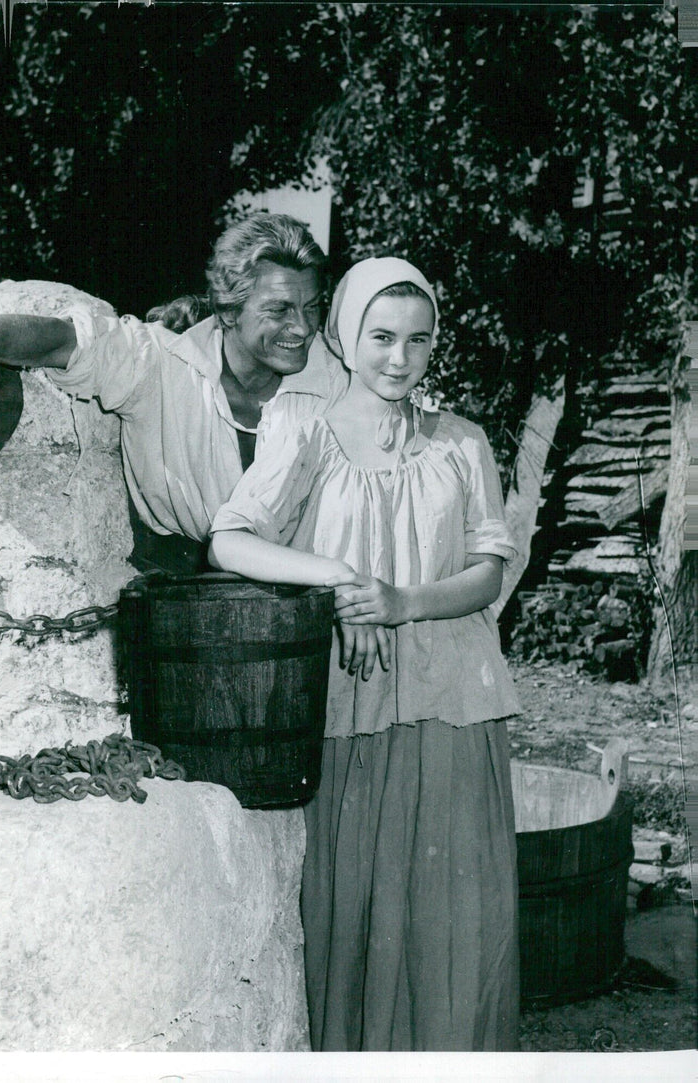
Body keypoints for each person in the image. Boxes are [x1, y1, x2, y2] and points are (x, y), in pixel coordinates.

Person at [209, 257, 522, 1051]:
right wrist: (342, 577)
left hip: (452, 701)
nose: (399, 358)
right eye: (382, 337)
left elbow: (488, 571)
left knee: (451, 916)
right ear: (347, 338)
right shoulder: (303, 428)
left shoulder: (463, 442)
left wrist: (403, 601)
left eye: (419, 340)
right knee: (354, 909)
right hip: (351, 700)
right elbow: (232, 540)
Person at [0, 212, 349, 575]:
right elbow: (65, 341)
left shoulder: (337, 382)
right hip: (178, 613)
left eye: (312, 306)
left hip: (310, 614)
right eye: (279, 310)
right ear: (229, 311)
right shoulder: (159, 364)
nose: (302, 327)